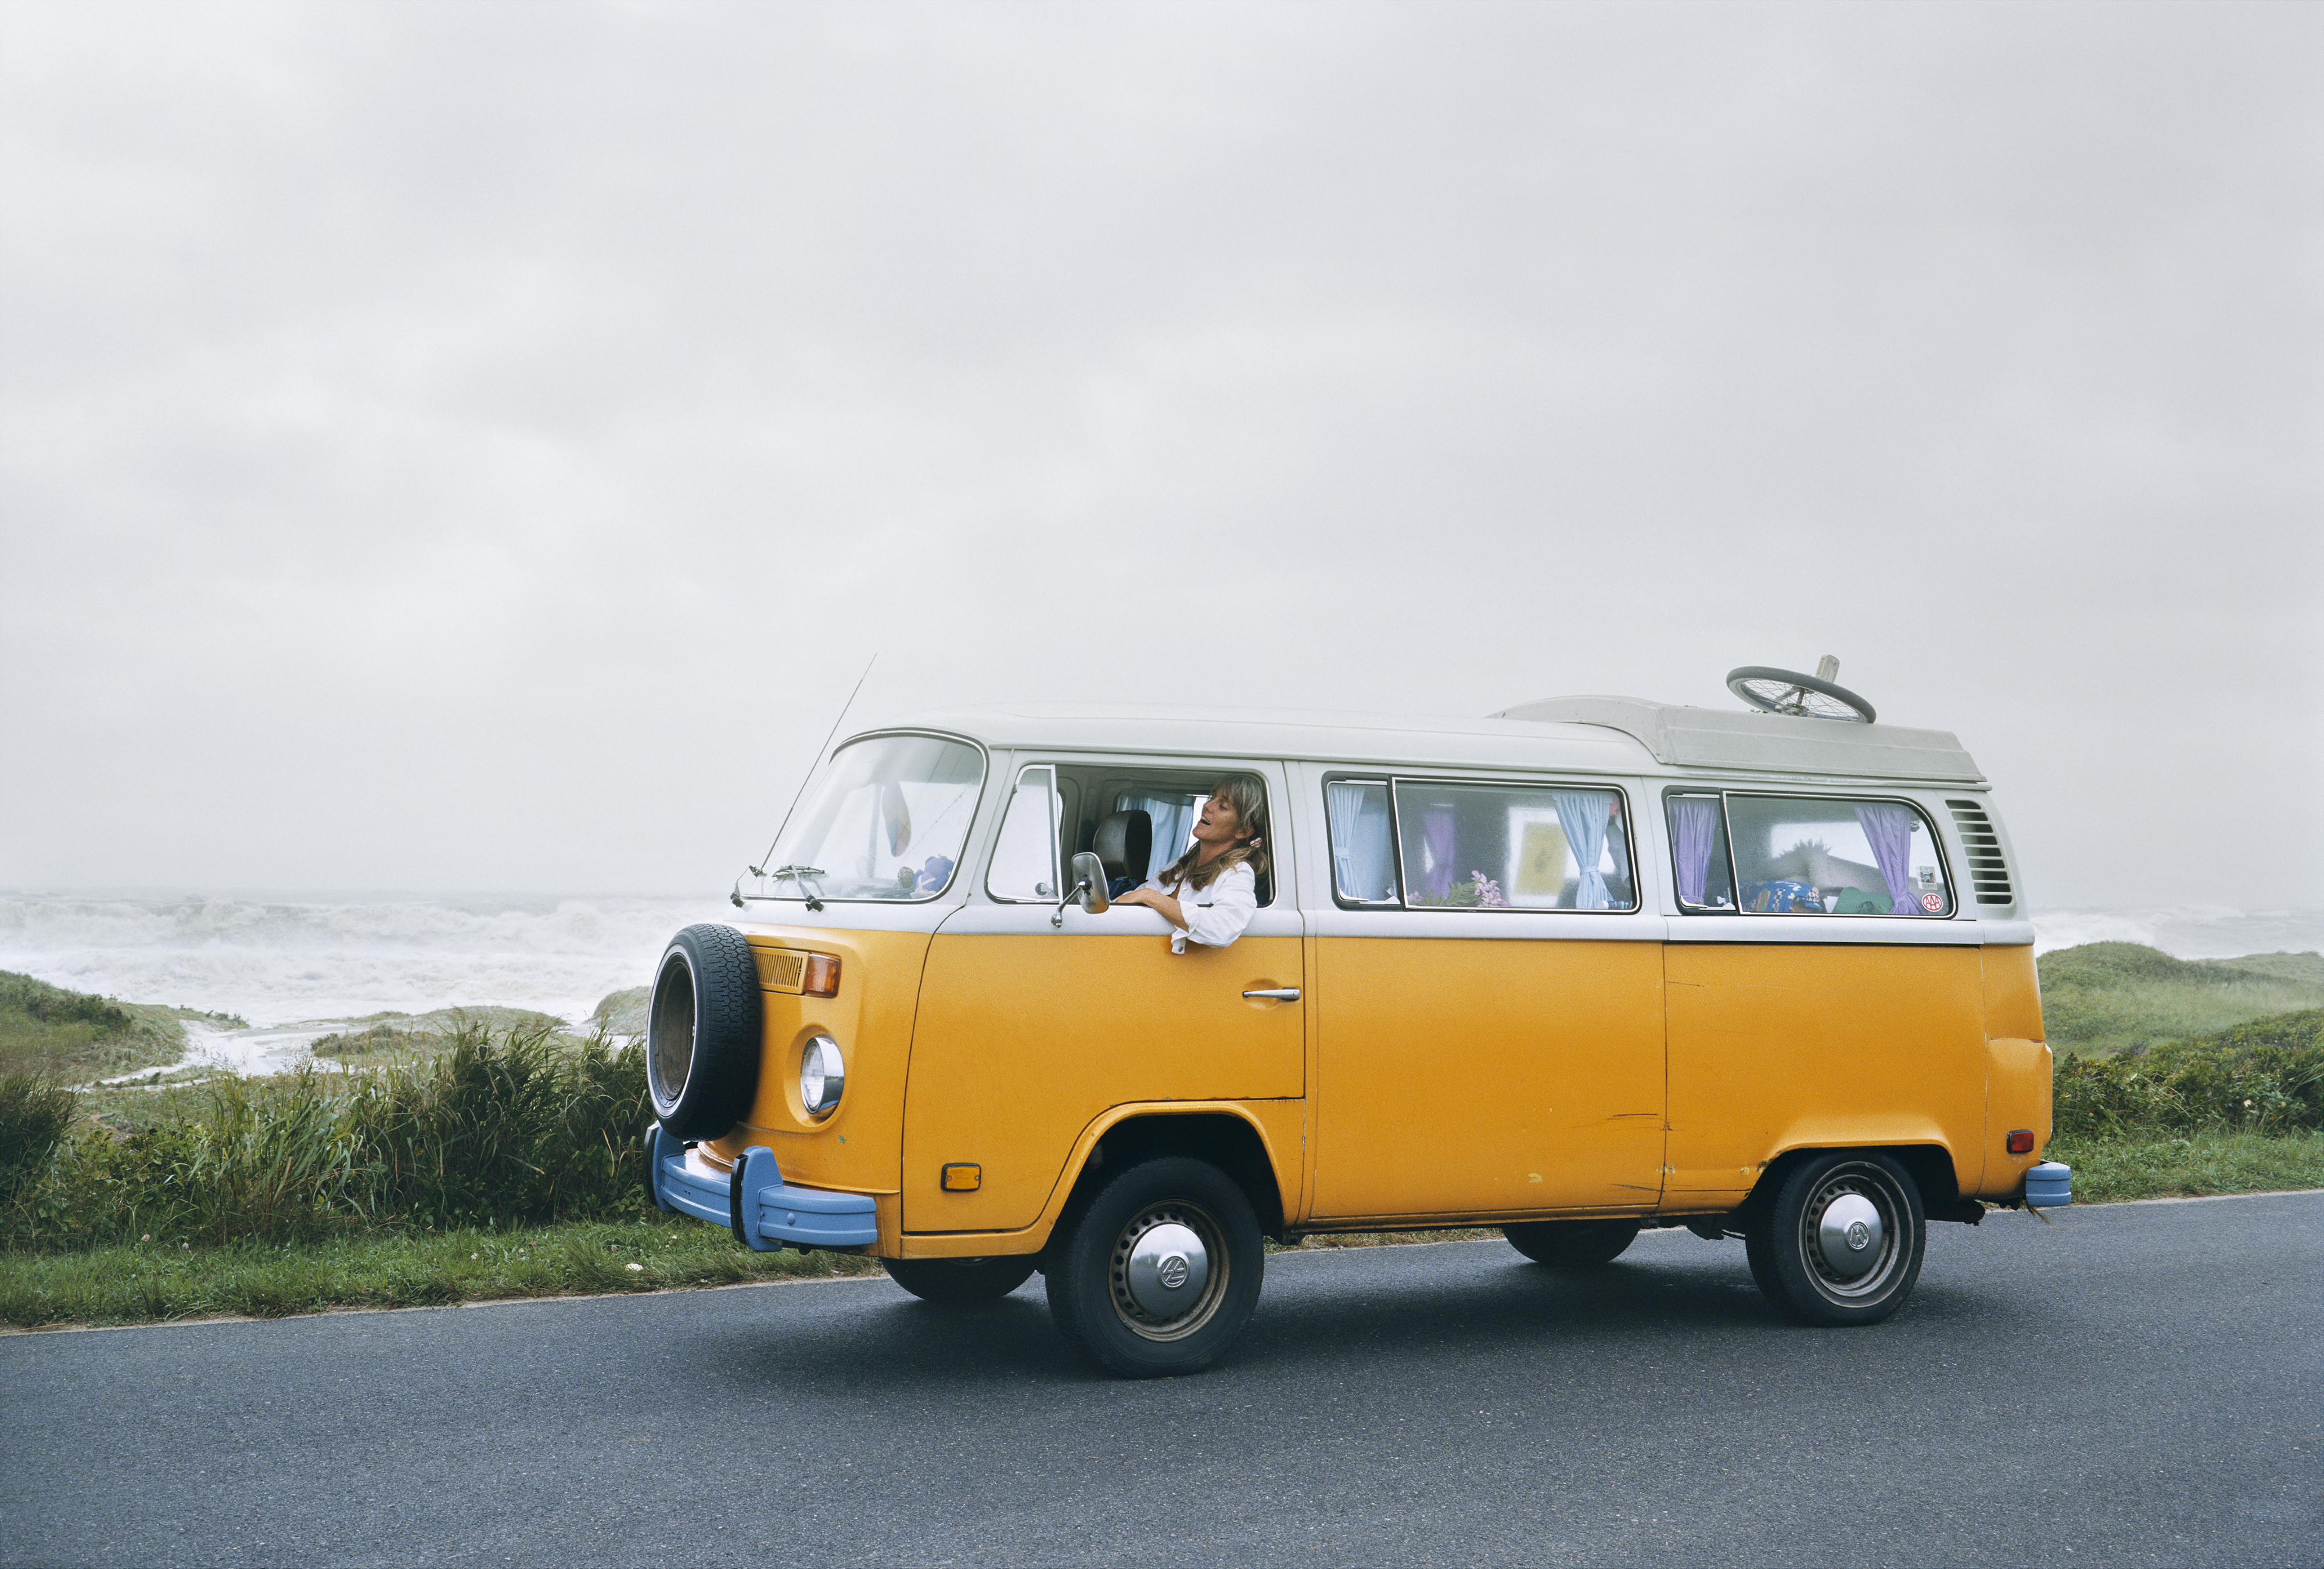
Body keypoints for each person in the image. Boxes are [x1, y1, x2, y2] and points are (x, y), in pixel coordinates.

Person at [1112, 779, 1268, 952]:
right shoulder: (1178, 866)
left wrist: (1151, 897)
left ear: (1243, 831)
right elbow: (1129, 901)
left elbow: (1223, 929)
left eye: (1223, 806)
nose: (1208, 805)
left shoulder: (1237, 873)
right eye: (1212, 798)